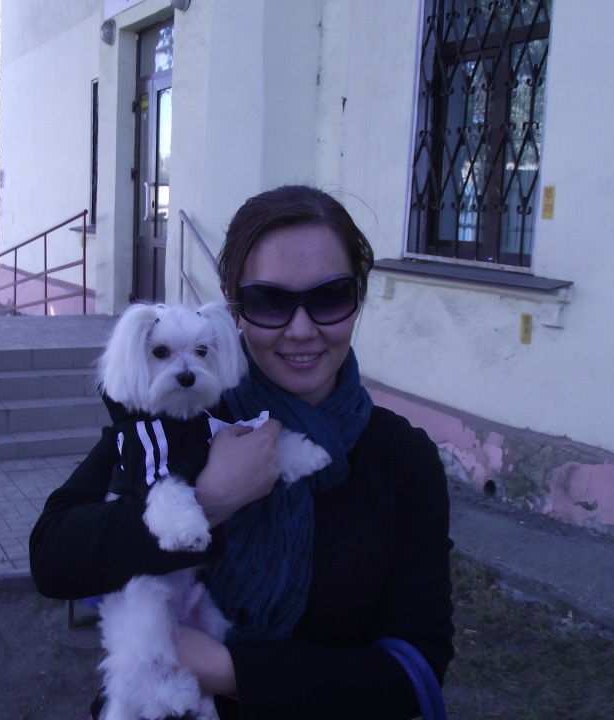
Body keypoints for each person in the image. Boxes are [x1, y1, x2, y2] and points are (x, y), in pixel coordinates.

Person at [30, 185, 454, 719]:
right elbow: (53, 559)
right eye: (270, 301)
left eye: (329, 296)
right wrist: (209, 500)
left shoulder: (402, 458)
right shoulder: (179, 415)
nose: (301, 330)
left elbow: (414, 672)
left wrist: (230, 671)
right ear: (234, 307)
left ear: (358, 298)